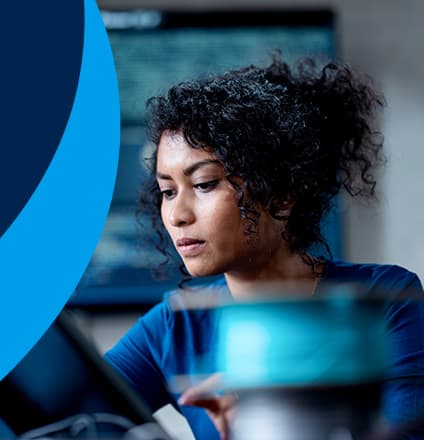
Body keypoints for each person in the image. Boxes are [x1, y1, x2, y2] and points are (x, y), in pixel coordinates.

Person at [105, 54, 424, 440]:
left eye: (204, 184)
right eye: (167, 191)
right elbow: (56, 418)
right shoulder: (173, 326)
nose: (177, 215)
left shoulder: (382, 300)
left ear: (282, 194)